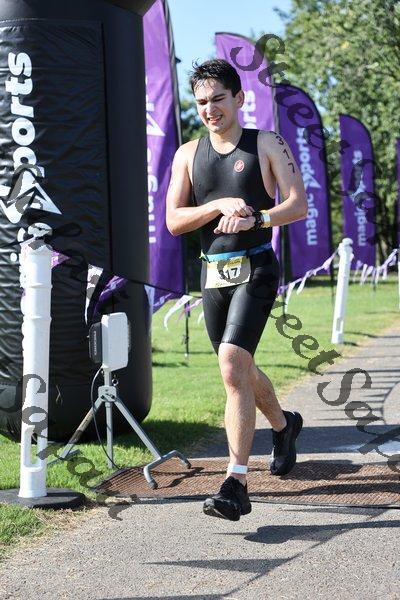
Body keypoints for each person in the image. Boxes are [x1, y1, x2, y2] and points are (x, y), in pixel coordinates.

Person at [166, 59, 308, 521]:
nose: (210, 109)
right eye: (201, 102)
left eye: (218, 99)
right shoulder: (187, 154)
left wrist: (258, 219)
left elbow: (298, 205)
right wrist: (217, 206)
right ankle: (283, 427)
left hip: (257, 267)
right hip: (213, 274)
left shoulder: (266, 142)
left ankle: (236, 483)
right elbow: (173, 221)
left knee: (231, 363)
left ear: (239, 98)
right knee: (239, 369)